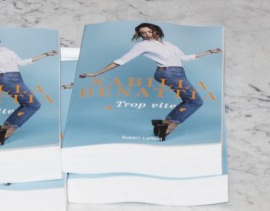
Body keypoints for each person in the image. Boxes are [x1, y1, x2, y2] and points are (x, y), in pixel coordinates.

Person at [77, 23, 220, 140]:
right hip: (168, 73)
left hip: (177, 73)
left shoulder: (168, 44)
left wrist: (208, 52)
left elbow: (185, 58)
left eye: (149, 31)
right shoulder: (142, 45)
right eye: (143, 33)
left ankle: (163, 124)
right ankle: (169, 127)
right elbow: (121, 60)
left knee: (189, 100)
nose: (147, 35)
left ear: (156, 30)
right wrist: (96, 73)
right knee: (195, 101)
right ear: (140, 35)